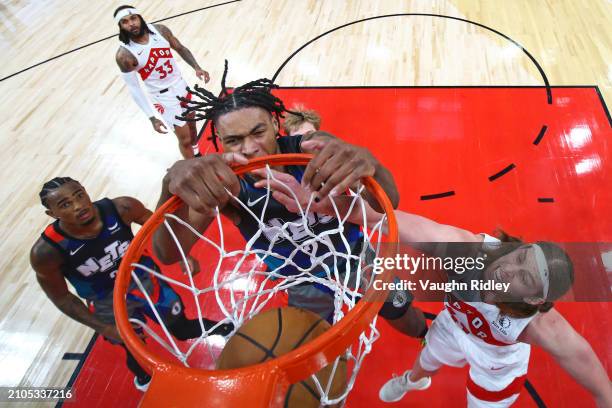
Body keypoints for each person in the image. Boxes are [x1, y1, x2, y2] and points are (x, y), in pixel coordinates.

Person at [264, 168, 612, 408]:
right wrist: (330, 206)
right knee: (427, 358)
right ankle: (413, 380)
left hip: (495, 360)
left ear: (535, 298)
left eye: (524, 277)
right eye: (519, 257)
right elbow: (386, 221)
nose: (508, 268)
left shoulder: (539, 326)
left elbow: (586, 365)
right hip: (452, 324)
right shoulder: (470, 250)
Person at [152, 63, 426, 338]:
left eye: (258, 133)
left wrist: (372, 165)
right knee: (312, 346)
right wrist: (168, 189)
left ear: (275, 123)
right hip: (300, 279)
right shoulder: (227, 187)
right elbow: (168, 253)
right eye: (234, 140)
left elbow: (388, 202)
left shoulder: (310, 149)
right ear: (219, 140)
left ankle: (425, 340)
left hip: (353, 255)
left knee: (401, 311)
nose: (249, 148)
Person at [30, 177, 232, 391]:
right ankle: (144, 379)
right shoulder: (46, 252)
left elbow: (159, 227)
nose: (78, 205)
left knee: (181, 328)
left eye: (79, 195)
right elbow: (62, 298)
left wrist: (181, 253)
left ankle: (227, 327)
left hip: (144, 280)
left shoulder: (122, 208)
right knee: (134, 347)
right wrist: (104, 328)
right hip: (107, 301)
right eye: (65, 204)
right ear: (52, 215)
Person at [114, 5, 210, 158]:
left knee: (193, 126)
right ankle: (194, 168)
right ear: (120, 26)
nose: (131, 23)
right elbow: (134, 88)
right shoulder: (124, 54)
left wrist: (197, 67)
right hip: (163, 97)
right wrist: (151, 117)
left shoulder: (160, 30)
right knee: (184, 139)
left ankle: (197, 154)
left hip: (181, 85)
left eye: (133, 18)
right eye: (125, 22)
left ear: (140, 18)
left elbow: (180, 48)